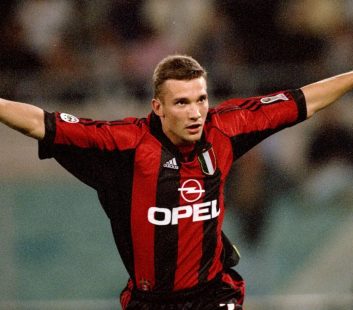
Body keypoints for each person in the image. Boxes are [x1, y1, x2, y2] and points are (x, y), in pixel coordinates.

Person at [0, 55, 352, 309]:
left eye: (201, 99)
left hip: (214, 294)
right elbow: (39, 122)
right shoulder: (125, 144)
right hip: (149, 301)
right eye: (181, 102)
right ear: (158, 107)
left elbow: (306, 99)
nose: (196, 112)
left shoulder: (226, 128)